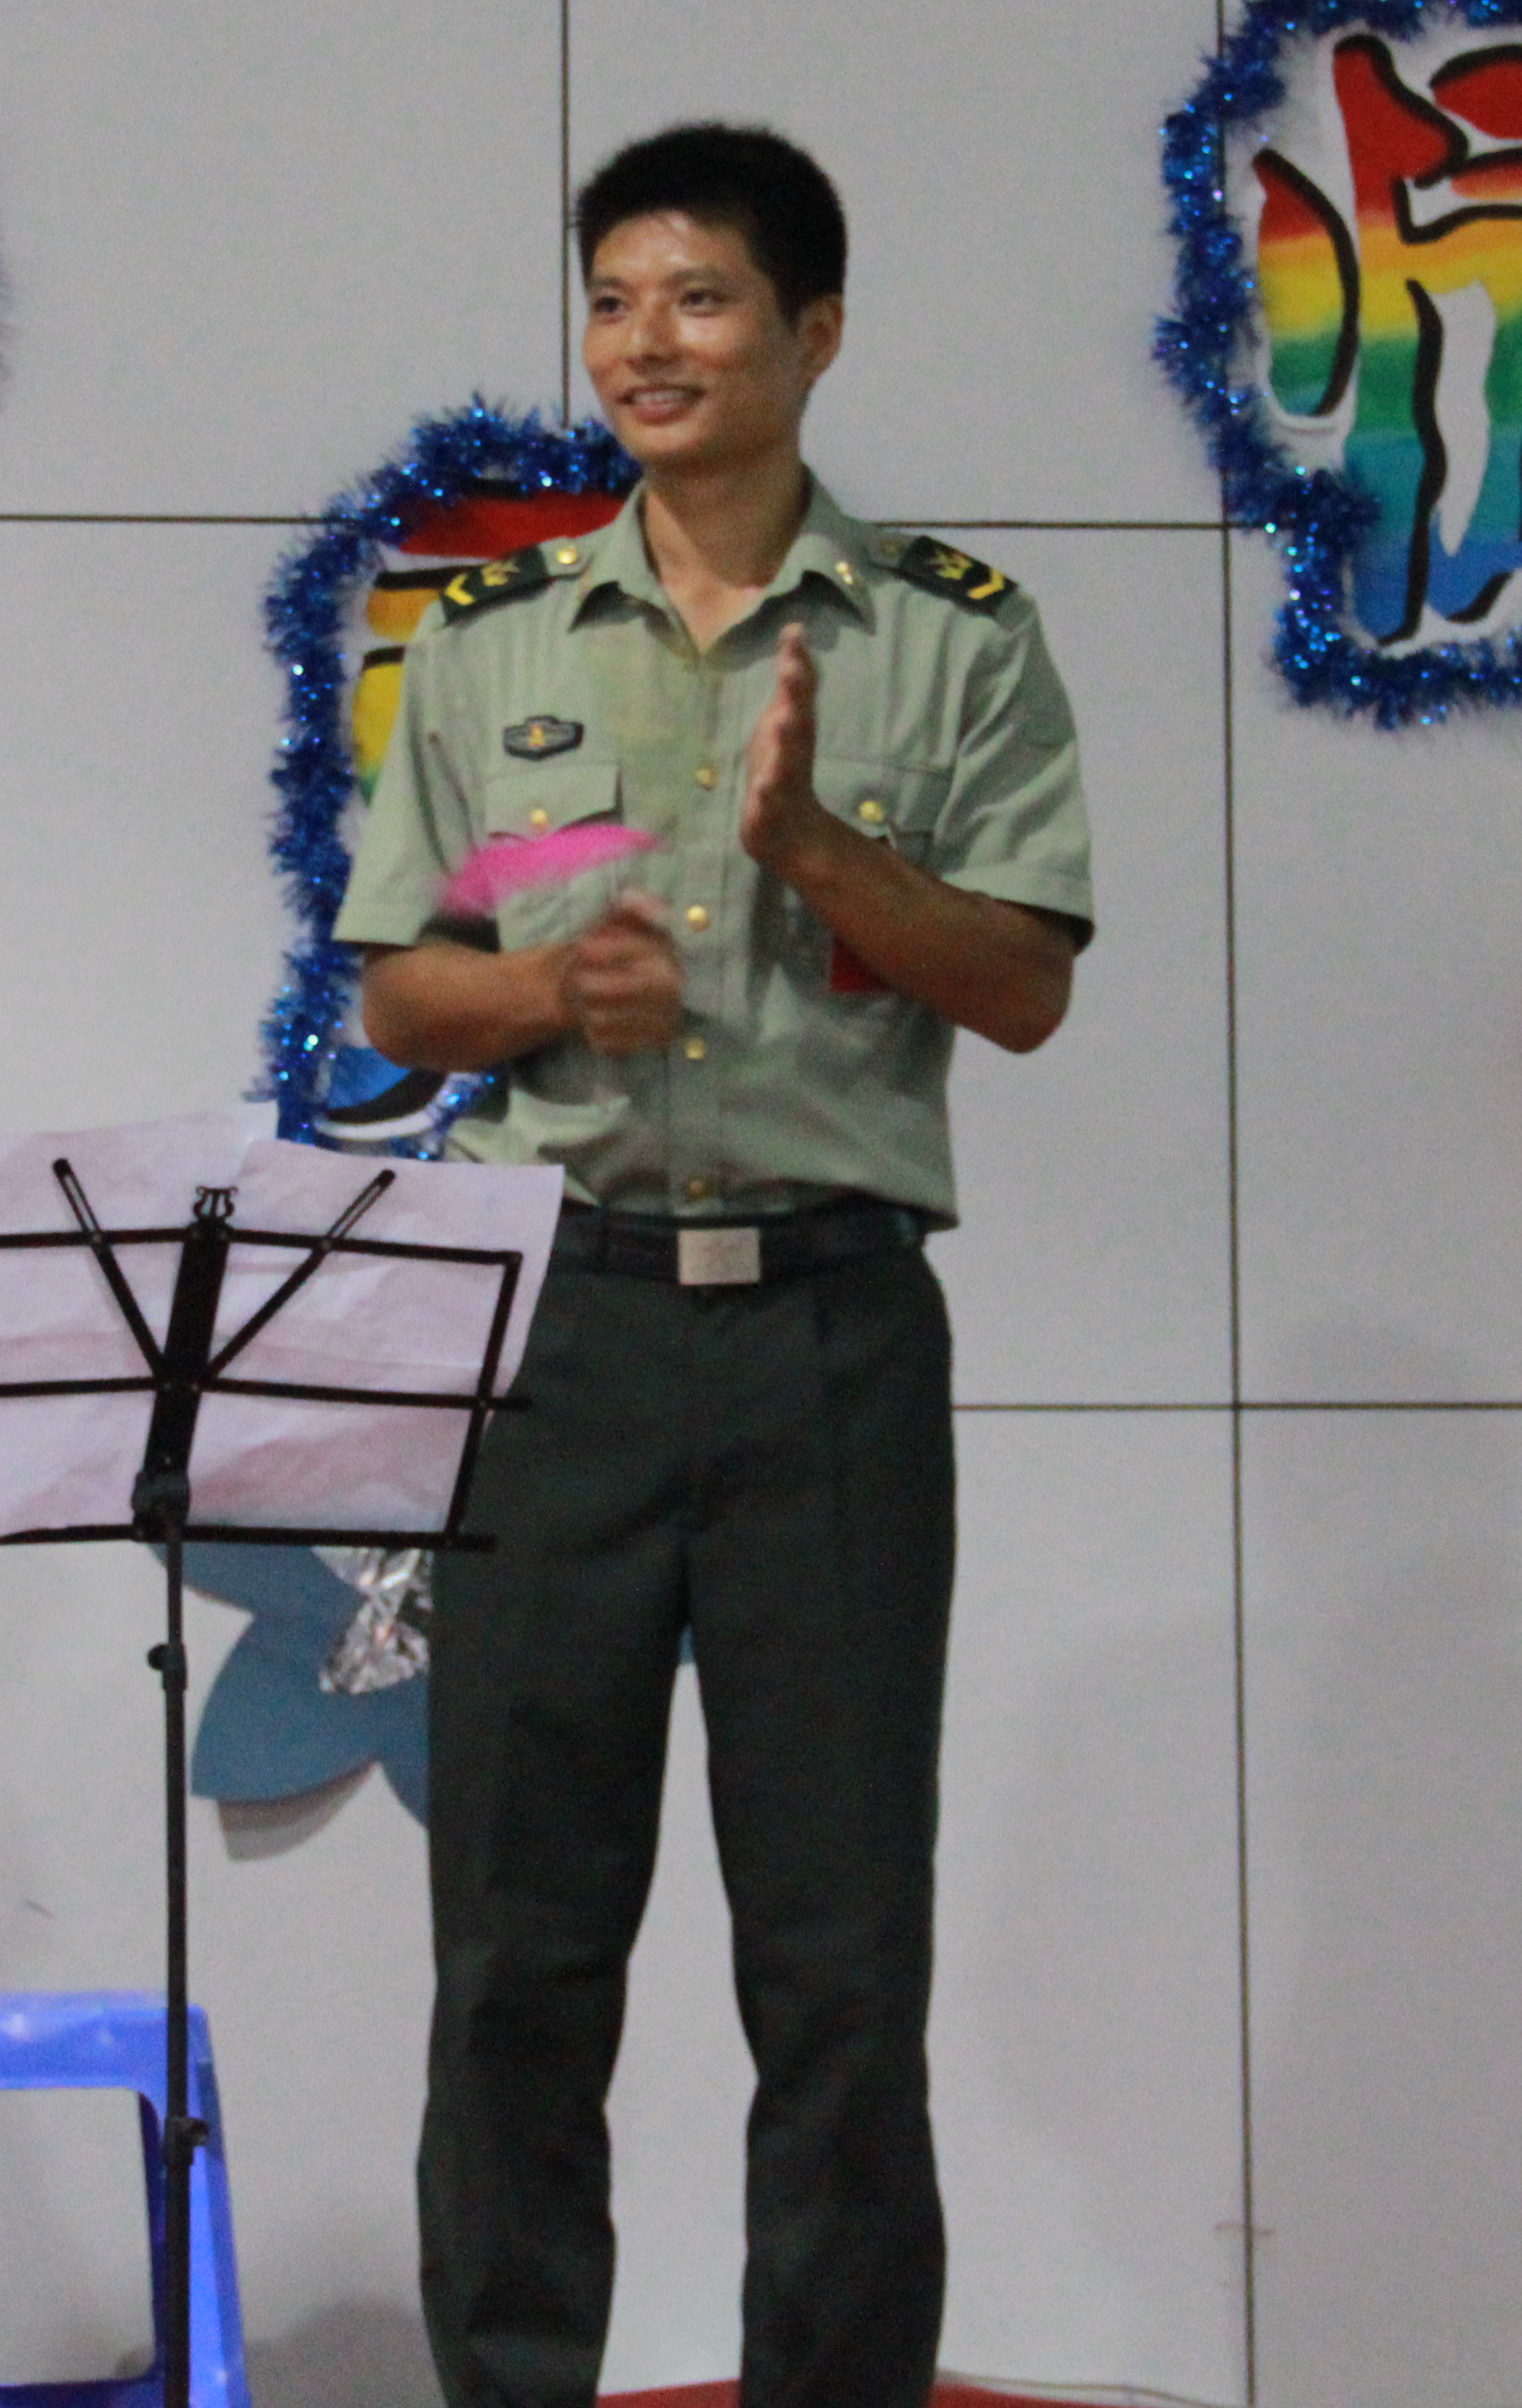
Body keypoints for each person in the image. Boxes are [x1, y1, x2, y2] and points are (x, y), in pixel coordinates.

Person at [342, 124, 1093, 2408]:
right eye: (611, 301)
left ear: (814, 332)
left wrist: (814, 850)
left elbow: (1026, 985)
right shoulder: (497, 646)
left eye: (697, 299)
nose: (642, 344)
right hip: (559, 1336)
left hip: (830, 1339)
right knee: (517, 1957)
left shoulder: (951, 638)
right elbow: (406, 989)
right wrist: (544, 991)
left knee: (839, 1968)